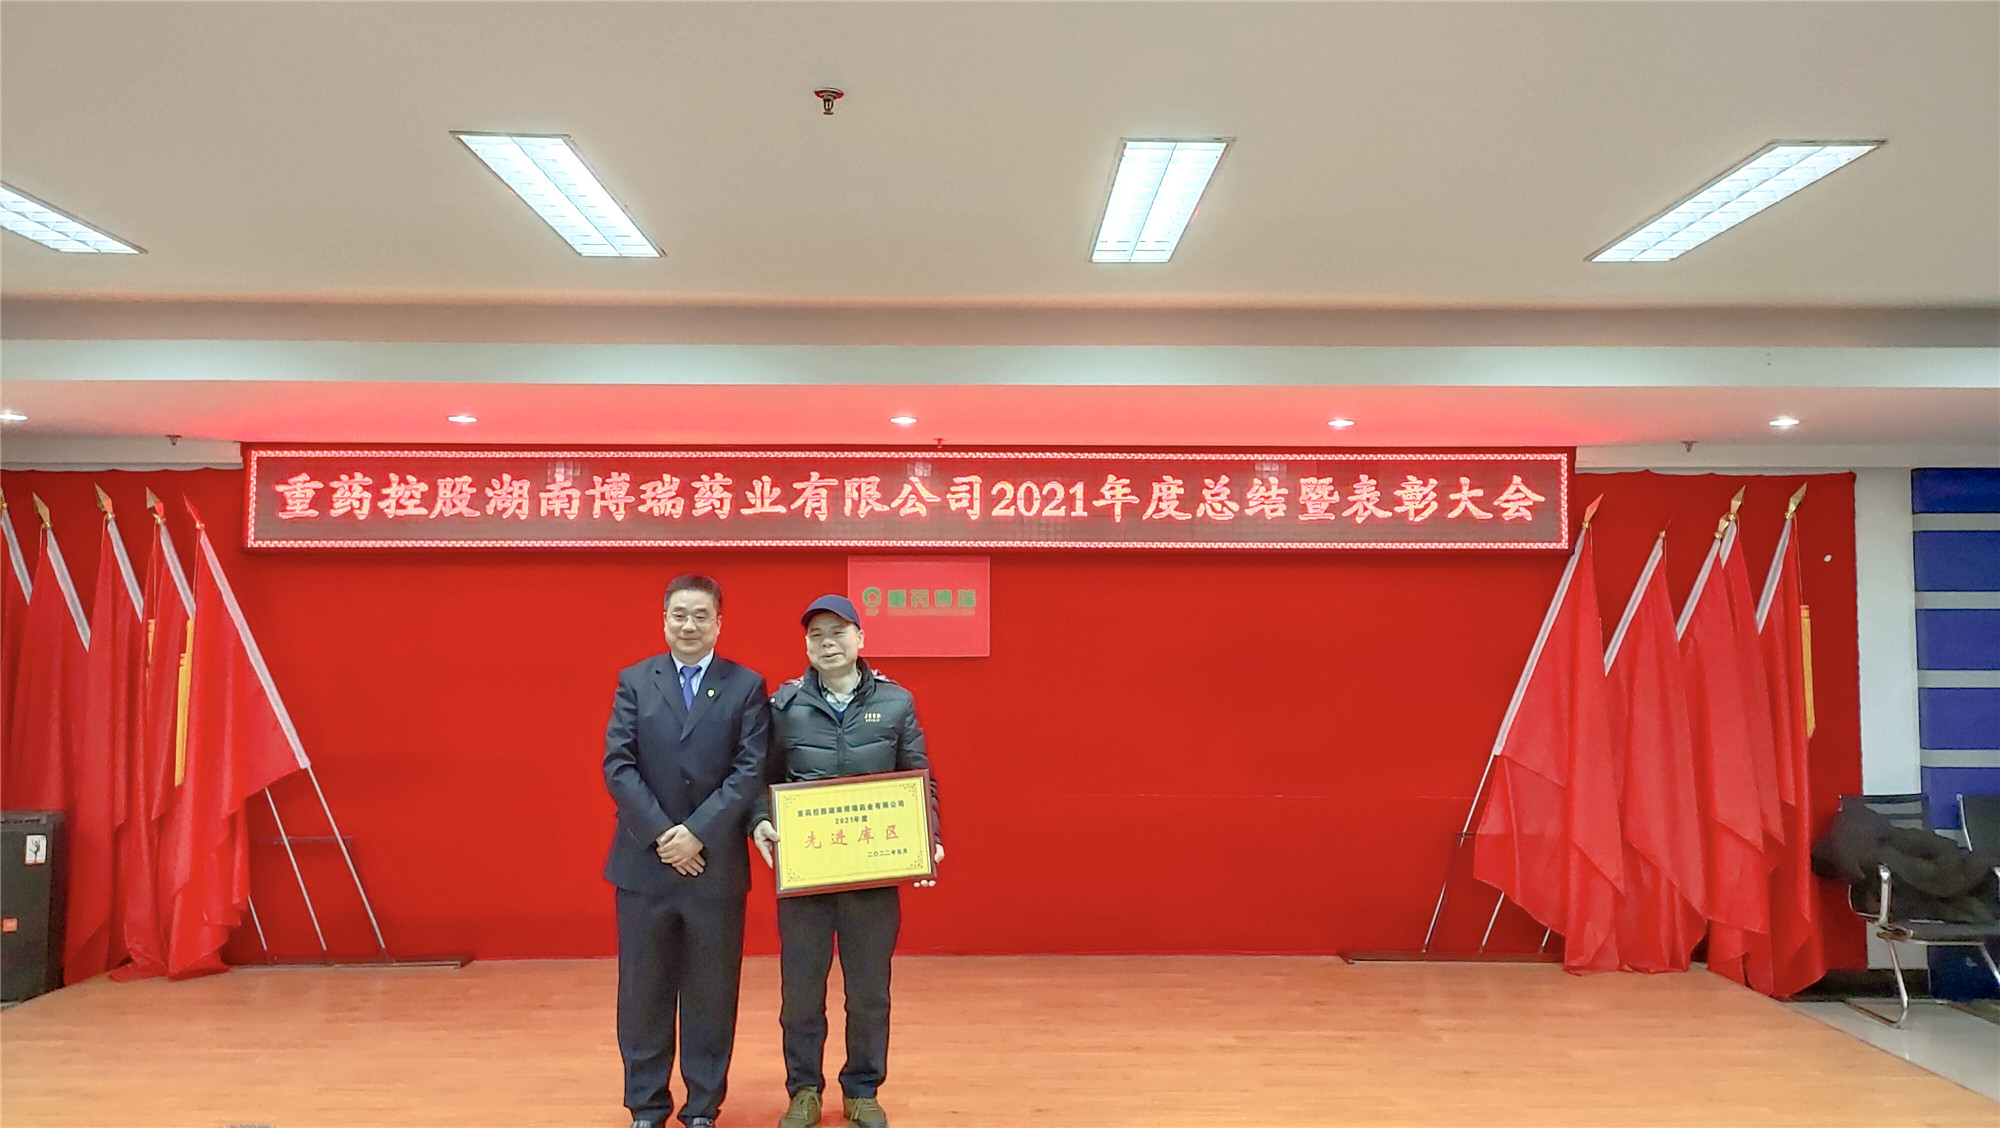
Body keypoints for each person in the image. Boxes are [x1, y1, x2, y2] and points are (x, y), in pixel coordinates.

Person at [751, 594, 943, 1128]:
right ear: (806, 646)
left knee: (869, 993)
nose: (827, 643)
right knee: (801, 993)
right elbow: (760, 778)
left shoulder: (897, 702)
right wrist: (759, 819)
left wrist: (927, 837)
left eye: (838, 632)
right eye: (816, 635)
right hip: (807, 877)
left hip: (871, 875)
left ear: (861, 638)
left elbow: (919, 777)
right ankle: (803, 1090)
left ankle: (862, 1089)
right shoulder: (783, 705)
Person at [602, 574, 770, 1128]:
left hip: (713, 865)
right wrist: (663, 836)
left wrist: (697, 832)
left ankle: (702, 1106)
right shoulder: (635, 680)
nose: (689, 626)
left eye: (701, 616)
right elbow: (618, 765)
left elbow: (749, 770)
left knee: (710, 992)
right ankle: (646, 1105)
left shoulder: (746, 685)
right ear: (664, 620)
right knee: (643, 992)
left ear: (719, 622)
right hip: (644, 864)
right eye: (679, 615)